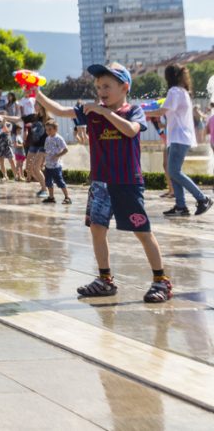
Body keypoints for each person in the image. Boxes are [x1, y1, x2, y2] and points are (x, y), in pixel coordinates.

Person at [36, 62, 172, 303]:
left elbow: (131, 131)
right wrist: (37, 93)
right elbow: (59, 110)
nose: (101, 91)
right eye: (98, 86)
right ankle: (105, 280)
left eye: (107, 85)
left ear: (124, 87)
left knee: (141, 231)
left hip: (127, 182)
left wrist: (104, 113)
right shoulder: (92, 111)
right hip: (100, 183)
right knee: (97, 230)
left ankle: (161, 281)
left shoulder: (133, 111)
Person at [147, 64, 213, 217]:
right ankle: (181, 206)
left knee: (174, 171)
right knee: (173, 171)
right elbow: (171, 115)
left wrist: (141, 112)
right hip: (177, 137)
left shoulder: (174, 91)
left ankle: (202, 198)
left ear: (169, 77)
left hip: (178, 138)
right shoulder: (182, 92)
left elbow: (163, 111)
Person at [41, 120, 71, 204]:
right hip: (48, 165)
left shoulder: (58, 138)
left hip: (56, 165)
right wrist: (43, 161)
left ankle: (67, 197)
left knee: (60, 181)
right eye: (46, 130)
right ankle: (51, 197)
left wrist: (57, 155)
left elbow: (66, 149)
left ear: (55, 129)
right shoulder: (47, 139)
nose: (48, 131)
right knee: (48, 182)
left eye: (50, 129)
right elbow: (46, 151)